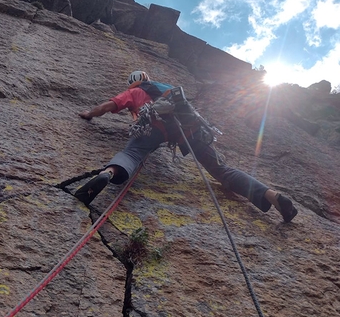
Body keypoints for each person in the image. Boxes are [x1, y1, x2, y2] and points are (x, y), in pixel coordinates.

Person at [76, 71, 298, 223]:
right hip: (191, 130)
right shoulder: (167, 88)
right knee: (222, 170)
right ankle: (271, 195)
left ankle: (108, 173)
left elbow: (109, 105)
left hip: (155, 127)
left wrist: (88, 114)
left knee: (132, 153)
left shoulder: (134, 92)